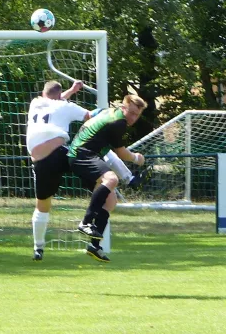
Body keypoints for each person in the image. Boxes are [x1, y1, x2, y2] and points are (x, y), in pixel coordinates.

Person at [68, 94, 148, 262]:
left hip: (84, 154)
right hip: (81, 154)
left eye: (137, 114)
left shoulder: (109, 112)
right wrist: (136, 158)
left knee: (110, 201)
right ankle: (85, 222)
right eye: (131, 112)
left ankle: (94, 246)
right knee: (111, 179)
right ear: (123, 107)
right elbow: (121, 153)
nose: (133, 117)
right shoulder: (118, 122)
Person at [26, 80, 90, 261]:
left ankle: (38, 248)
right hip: (61, 153)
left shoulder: (35, 103)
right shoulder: (66, 107)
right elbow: (90, 116)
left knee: (43, 205)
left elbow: (54, 99)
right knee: (99, 170)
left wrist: (71, 90)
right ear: (59, 95)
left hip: (40, 160)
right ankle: (127, 175)